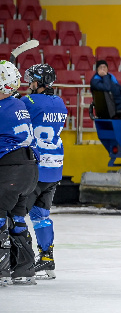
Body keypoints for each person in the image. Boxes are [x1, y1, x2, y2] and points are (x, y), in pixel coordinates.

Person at [22, 64, 68, 280]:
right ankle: (47, 259)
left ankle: (20, 262)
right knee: (41, 215)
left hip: (36, 167)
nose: (29, 84)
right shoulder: (60, 103)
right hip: (55, 166)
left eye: (32, 80)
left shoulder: (27, 102)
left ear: (39, 82)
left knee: (16, 214)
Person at [0, 60, 39, 286]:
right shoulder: (19, 105)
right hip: (29, 170)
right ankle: (24, 269)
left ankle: (2, 270)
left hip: (10, 170)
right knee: (17, 218)